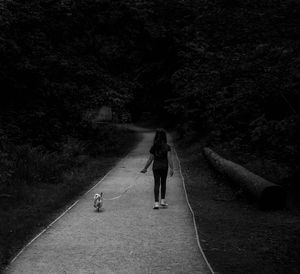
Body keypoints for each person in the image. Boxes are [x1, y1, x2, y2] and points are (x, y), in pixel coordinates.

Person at [141, 128, 174, 209]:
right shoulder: (167, 147)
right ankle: (162, 201)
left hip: (156, 167)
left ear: (156, 136)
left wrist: (145, 168)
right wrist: (172, 168)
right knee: (163, 183)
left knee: (156, 183)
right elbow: (169, 158)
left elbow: (150, 159)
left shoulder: (154, 147)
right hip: (164, 167)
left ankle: (156, 203)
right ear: (164, 136)